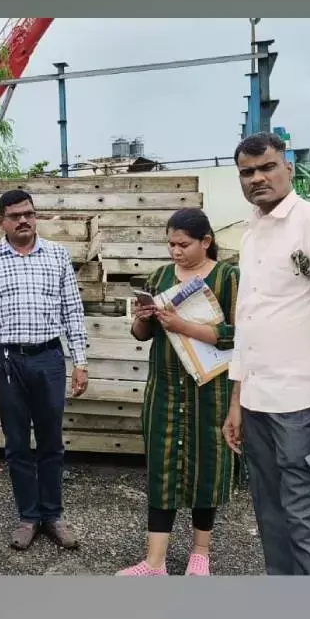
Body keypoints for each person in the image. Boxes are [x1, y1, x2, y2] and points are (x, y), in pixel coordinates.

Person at [221, 131, 310, 576]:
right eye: (247, 172)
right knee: (272, 517)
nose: (257, 178)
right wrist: (236, 402)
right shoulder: (252, 234)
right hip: (259, 404)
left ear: (289, 169)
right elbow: (249, 322)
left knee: (309, 518)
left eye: (267, 168)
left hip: (303, 406)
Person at [116, 207, 240, 577]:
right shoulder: (160, 276)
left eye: (183, 244)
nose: (175, 252)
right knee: (162, 468)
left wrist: (183, 325)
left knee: (206, 467)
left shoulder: (228, 277)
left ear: (206, 241)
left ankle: (200, 556)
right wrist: (142, 319)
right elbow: (143, 336)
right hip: (166, 387)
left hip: (210, 388)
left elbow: (240, 335)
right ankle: (154, 562)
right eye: (170, 244)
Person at [0, 190, 89, 551]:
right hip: (5, 361)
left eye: (29, 214)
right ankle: (28, 516)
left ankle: (52, 514)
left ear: (36, 217)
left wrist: (79, 361)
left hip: (48, 358)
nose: (24, 220)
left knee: (51, 441)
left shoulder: (57, 256)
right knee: (17, 443)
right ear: (1, 221)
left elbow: (72, 311)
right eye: (15, 215)